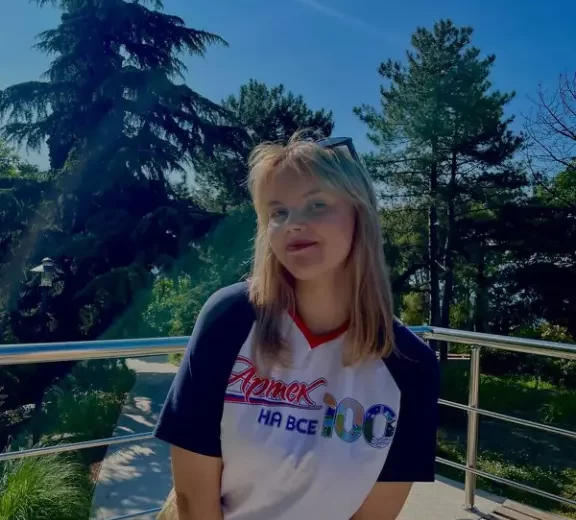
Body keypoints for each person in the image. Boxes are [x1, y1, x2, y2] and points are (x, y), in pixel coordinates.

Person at [154, 133, 440, 520]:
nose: (293, 224)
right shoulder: (229, 319)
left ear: (361, 214)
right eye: (278, 212)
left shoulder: (411, 367)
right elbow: (193, 498)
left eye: (316, 204)